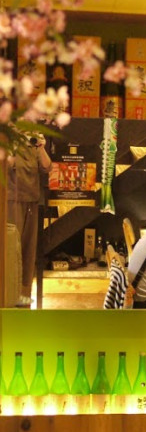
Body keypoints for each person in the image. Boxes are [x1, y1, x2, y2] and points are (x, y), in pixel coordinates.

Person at [6, 131, 52, 307]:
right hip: (12, 202)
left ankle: (23, 296)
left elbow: (47, 167)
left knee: (28, 251)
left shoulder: (33, 144)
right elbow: (7, 164)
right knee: (11, 249)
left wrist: (40, 147)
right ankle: (8, 296)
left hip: (32, 201)